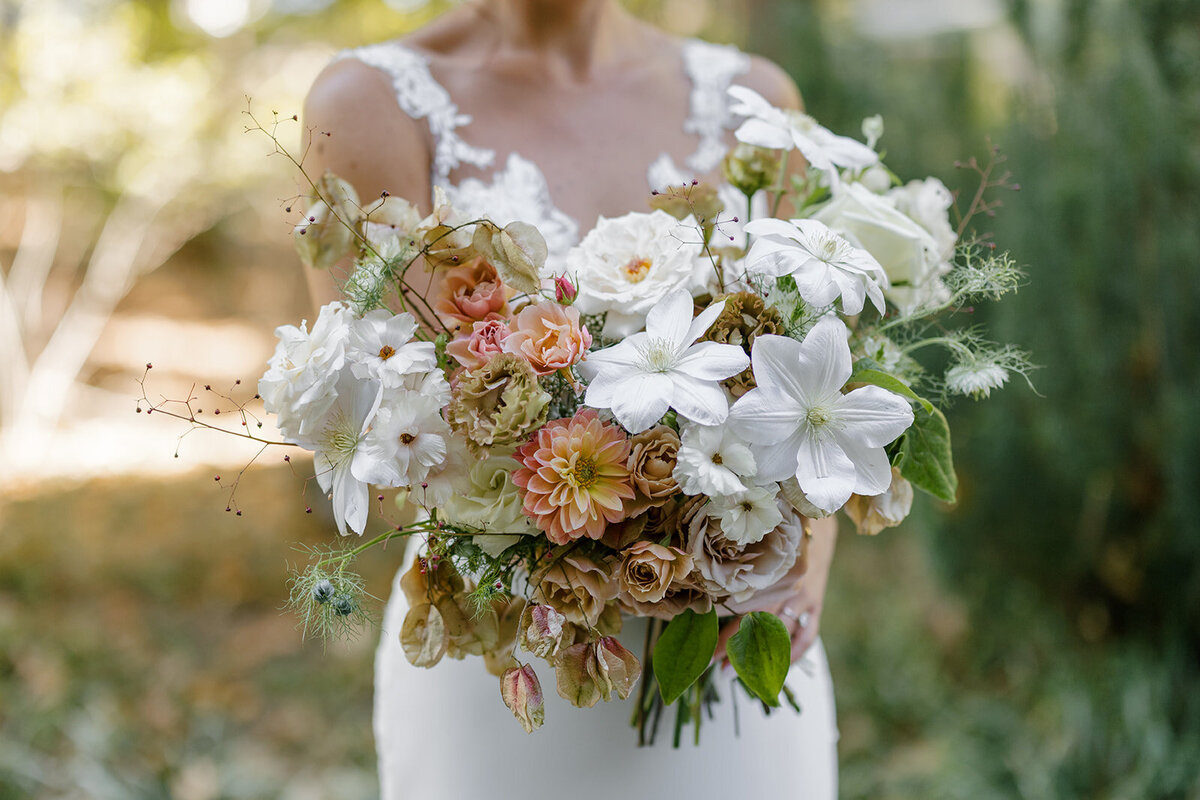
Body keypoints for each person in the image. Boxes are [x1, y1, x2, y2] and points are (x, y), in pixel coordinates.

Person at [302, 1, 839, 797]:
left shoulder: (753, 97)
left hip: (737, 641)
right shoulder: (368, 103)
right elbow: (388, 441)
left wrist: (793, 556)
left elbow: (816, 372)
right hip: (510, 662)